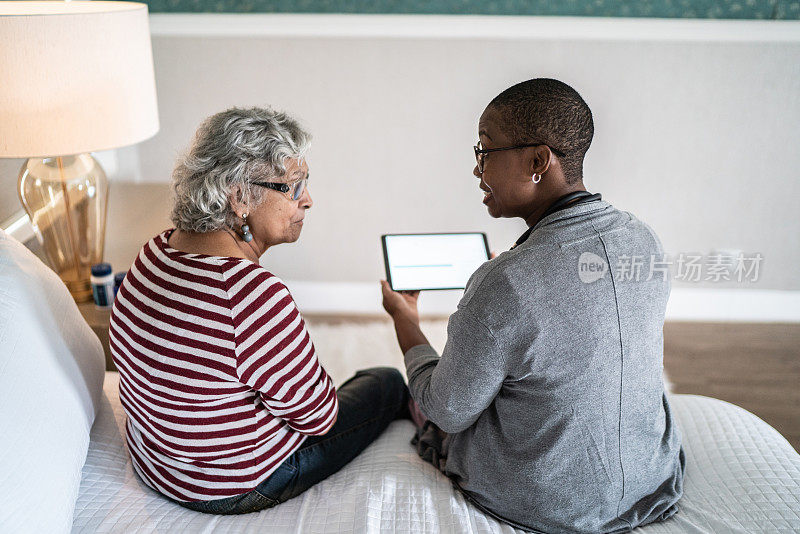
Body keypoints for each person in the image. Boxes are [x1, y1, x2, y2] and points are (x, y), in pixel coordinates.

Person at [380, 78, 685, 533]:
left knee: (420, 398)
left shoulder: (506, 282)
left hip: (545, 504)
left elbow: (448, 411)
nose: (476, 170)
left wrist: (406, 322)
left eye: (484, 150)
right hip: (652, 481)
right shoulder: (642, 237)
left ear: (538, 161)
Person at [109, 106, 410, 514]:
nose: (308, 199)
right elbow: (319, 418)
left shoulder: (153, 252)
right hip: (231, 485)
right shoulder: (253, 298)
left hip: (157, 465)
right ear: (239, 198)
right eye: (293, 186)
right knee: (386, 380)